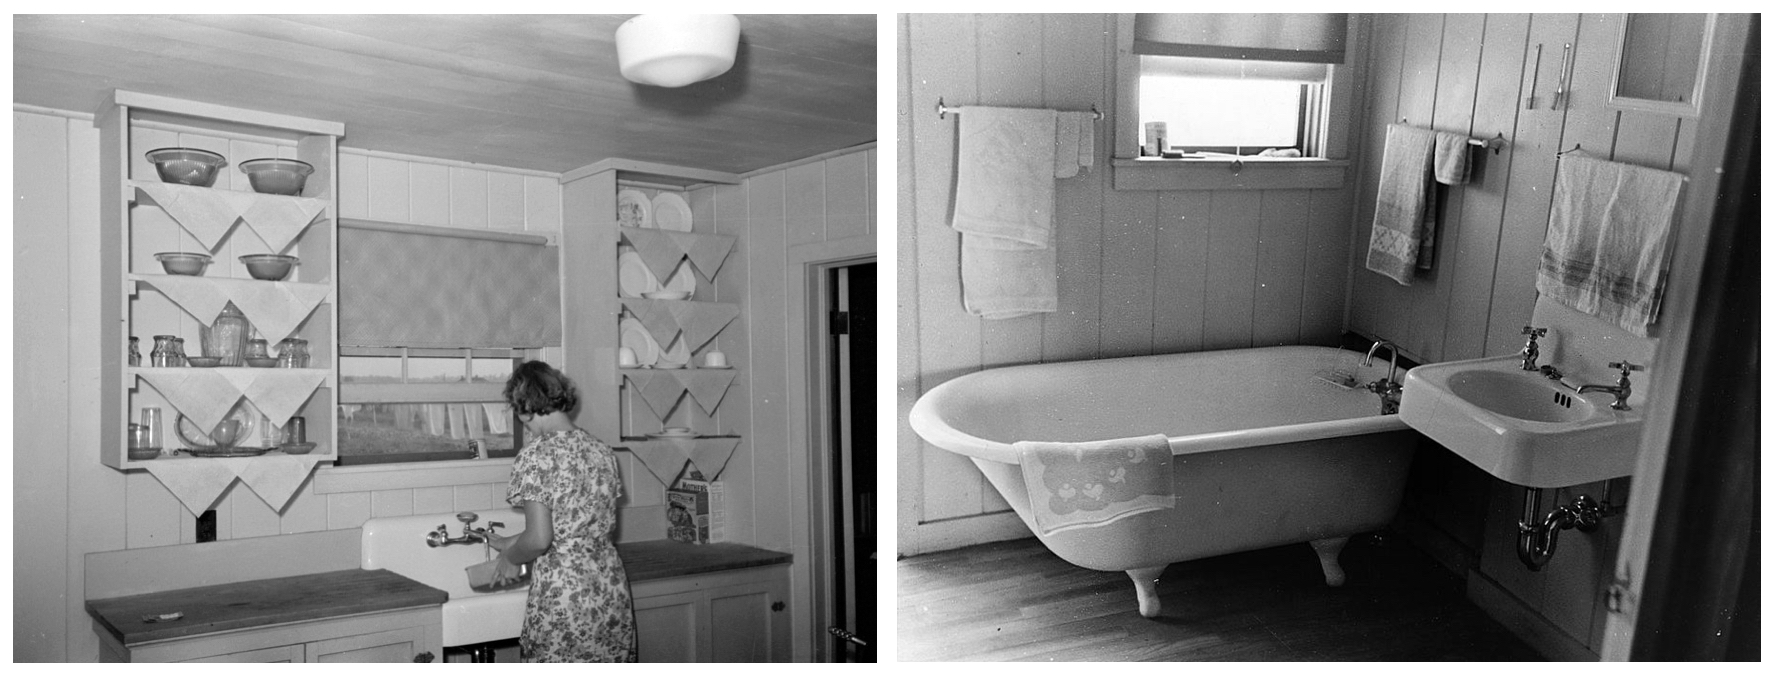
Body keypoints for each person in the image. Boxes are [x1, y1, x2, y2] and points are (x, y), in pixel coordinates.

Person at [487, 360, 637, 662]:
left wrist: (510, 558)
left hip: (564, 594)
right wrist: (510, 541)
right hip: (608, 587)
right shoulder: (600, 450)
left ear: (525, 407)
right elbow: (573, 525)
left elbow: (541, 539)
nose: (523, 424)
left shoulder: (536, 455)